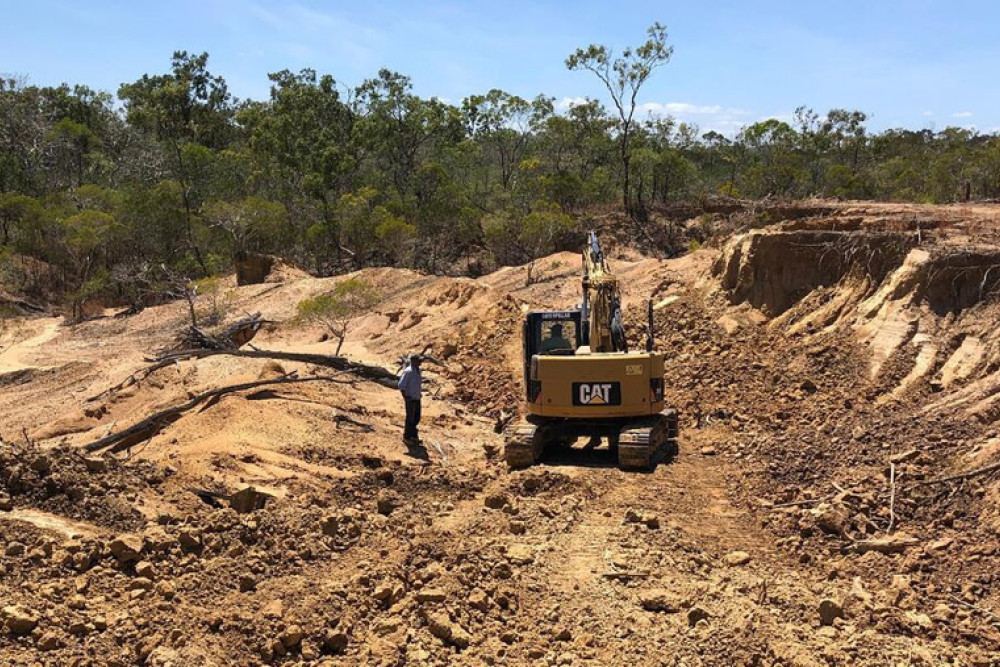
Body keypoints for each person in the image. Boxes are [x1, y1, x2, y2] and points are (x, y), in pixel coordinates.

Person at [398, 353, 423, 446]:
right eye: (419, 360)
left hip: (417, 398)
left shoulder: (418, 370)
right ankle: (407, 437)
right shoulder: (408, 372)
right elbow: (401, 385)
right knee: (410, 419)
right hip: (410, 399)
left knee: (417, 417)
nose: (421, 362)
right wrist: (406, 398)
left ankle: (414, 436)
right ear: (413, 361)